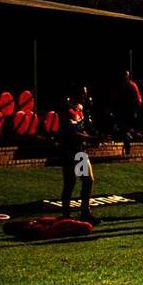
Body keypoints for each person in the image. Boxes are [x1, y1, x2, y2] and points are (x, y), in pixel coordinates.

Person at [57, 86, 98, 223]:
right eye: (83, 94)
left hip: (79, 150)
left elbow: (81, 129)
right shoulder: (68, 109)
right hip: (69, 150)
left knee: (88, 180)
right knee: (70, 183)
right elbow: (72, 132)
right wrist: (90, 139)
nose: (85, 97)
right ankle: (66, 214)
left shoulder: (80, 108)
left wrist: (91, 139)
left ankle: (85, 211)